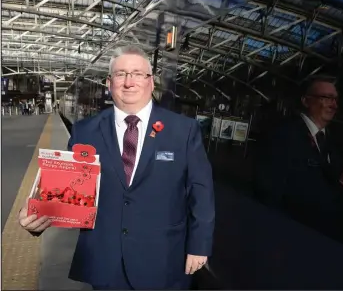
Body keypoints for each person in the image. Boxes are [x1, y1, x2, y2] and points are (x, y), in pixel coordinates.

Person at [18, 45, 215, 290]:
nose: (129, 82)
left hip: (164, 261)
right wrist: (38, 211)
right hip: (106, 262)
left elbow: (201, 192)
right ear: (109, 83)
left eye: (137, 74)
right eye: (121, 74)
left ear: (151, 82)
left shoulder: (183, 130)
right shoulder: (85, 131)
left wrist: (199, 246)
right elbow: (66, 192)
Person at [261, 76, 343, 238]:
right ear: (305, 100)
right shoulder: (283, 136)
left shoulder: (333, 143)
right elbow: (269, 193)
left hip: (327, 238)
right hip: (291, 236)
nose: (334, 105)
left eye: (335, 99)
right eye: (326, 98)